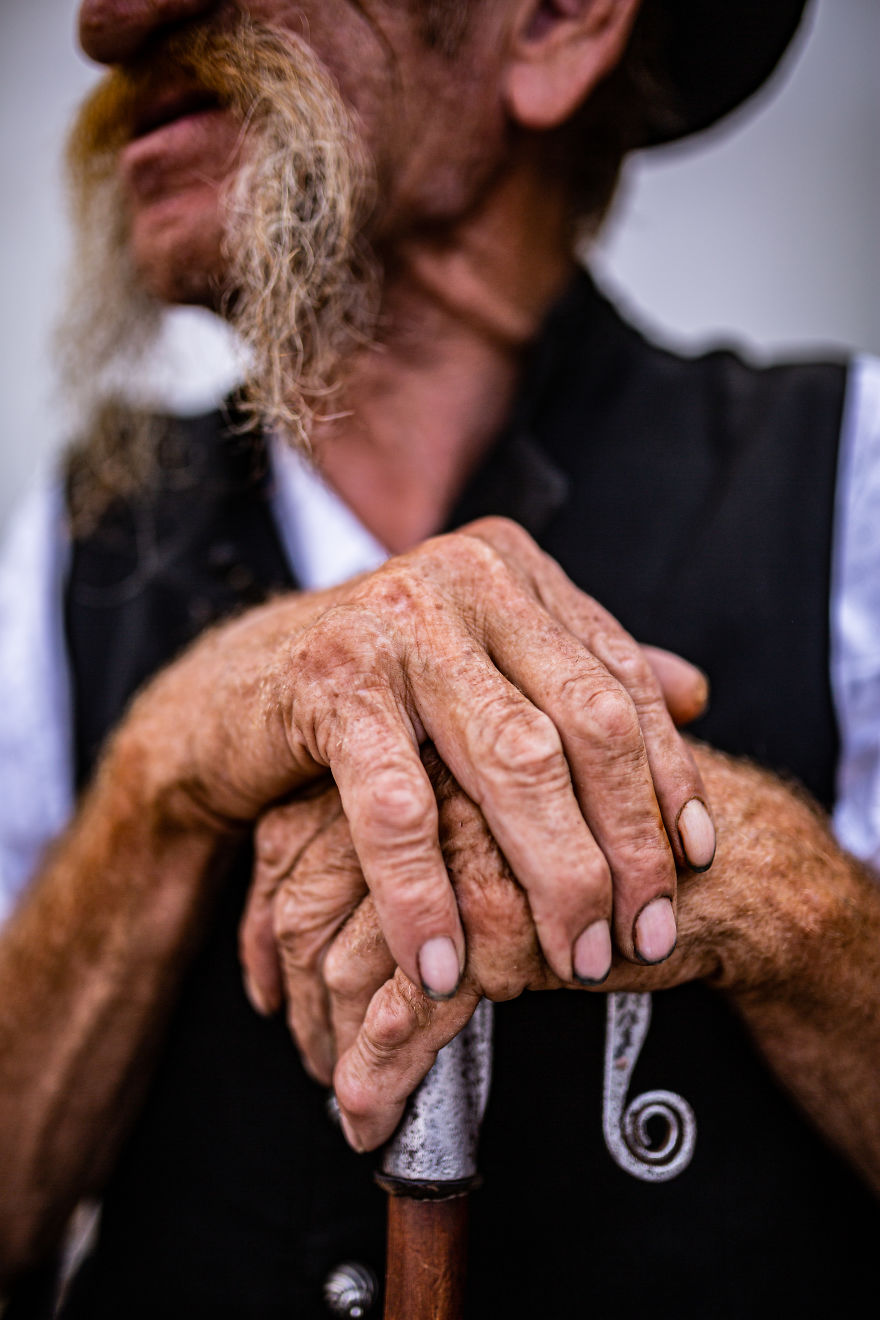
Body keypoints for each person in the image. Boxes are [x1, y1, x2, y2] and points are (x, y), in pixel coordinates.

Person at [1, 0, 879, 1314]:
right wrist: (166, 767)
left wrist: (766, 891)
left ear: (552, 23)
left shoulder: (850, 473)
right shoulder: (72, 543)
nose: (106, 23)